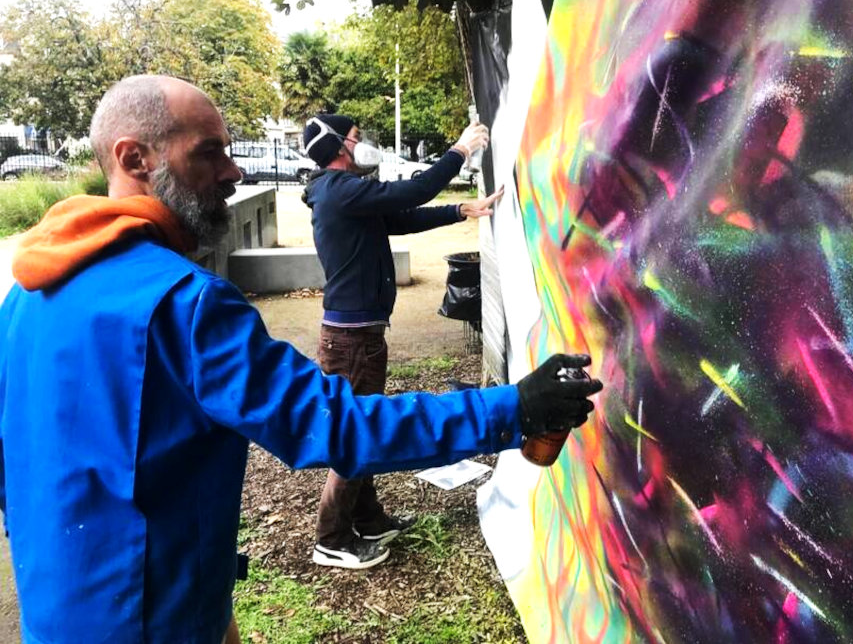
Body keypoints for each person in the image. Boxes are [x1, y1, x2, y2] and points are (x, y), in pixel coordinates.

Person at [0, 75, 602, 644]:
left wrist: (207, 594)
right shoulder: (184, 303)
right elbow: (337, 425)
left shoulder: (27, 293)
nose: (234, 172)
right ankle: (339, 533)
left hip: (62, 607)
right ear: (136, 160)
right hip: (148, 620)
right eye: (210, 152)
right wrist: (513, 407)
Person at [301, 114, 504, 569]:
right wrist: (460, 151)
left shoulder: (344, 196)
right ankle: (331, 537)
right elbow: (410, 191)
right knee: (355, 435)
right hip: (352, 340)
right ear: (339, 147)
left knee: (364, 426)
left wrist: (460, 211)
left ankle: (369, 519)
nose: (363, 144)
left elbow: (400, 217)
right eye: (356, 138)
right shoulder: (341, 190)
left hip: (356, 335)